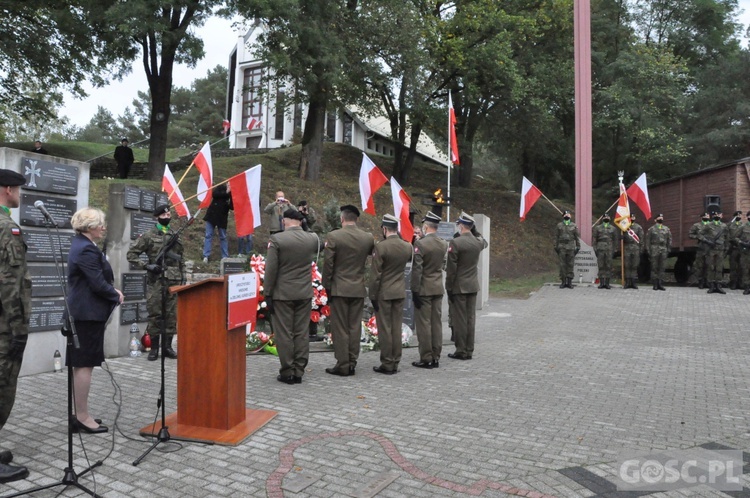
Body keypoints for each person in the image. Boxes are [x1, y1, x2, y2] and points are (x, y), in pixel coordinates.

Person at [66, 208, 124, 434]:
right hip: (86, 315)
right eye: (100, 224)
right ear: (89, 226)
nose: (104, 227)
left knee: (81, 364)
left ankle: (79, 413)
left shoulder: (82, 245)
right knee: (83, 365)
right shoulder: (86, 249)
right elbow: (97, 283)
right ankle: (82, 417)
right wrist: (115, 294)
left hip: (84, 314)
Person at [0, 169, 31, 483]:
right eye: (18, 189)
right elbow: (11, 284)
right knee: (1, 388)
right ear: (8, 189)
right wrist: (19, 328)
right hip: (4, 326)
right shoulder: (7, 228)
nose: (20, 194)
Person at [263, 209, 319, 384]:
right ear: (300, 221)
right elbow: (321, 245)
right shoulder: (312, 239)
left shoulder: (277, 240)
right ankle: (299, 370)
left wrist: (267, 293)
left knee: (284, 333)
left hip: (283, 294)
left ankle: (287, 371)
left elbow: (271, 270)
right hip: (304, 293)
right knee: (302, 332)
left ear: (285, 221)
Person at [322, 205, 375, 376]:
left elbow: (328, 264)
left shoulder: (334, 236)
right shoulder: (367, 238)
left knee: (340, 327)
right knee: (354, 326)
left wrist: (326, 286)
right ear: (356, 219)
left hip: (339, 288)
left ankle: (343, 363)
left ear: (342, 219)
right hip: (358, 287)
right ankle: (352, 361)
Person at [127, 205, 184, 360]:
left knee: (171, 315)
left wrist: (183, 278)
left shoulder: (175, 235)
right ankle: (154, 349)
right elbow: (131, 254)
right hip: (156, 281)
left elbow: (181, 259)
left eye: (168, 213)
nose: (167, 216)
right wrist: (147, 265)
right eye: (164, 214)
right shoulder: (148, 235)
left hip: (173, 280)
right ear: (157, 217)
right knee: (155, 315)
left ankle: (167, 347)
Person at [370, 214, 413, 375]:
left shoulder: (381, 247)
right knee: (396, 327)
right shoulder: (407, 246)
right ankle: (396, 360)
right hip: (399, 291)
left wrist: (372, 295)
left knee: (385, 328)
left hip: (384, 293)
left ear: (385, 228)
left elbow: (376, 275)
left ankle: (387, 362)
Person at [446, 212, 488, 360]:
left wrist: (448, 287)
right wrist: (474, 230)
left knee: (460, 319)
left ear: (462, 225)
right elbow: (485, 241)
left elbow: (451, 270)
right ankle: (469, 349)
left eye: (459, 224)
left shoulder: (455, 243)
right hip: (472, 285)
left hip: (459, 285)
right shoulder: (477, 242)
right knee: (470, 318)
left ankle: (461, 350)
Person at [410, 211, 448, 369]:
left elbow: (417, 270)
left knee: (424, 324)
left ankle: (426, 357)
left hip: (424, 289)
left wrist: (414, 290)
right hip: (438, 288)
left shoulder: (421, 244)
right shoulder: (443, 243)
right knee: (436, 323)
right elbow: (443, 265)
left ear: (425, 227)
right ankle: (436, 356)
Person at [202, 183, 232, 263]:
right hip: (212, 215)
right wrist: (226, 192)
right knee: (208, 235)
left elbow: (232, 206)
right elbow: (214, 195)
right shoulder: (220, 187)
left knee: (223, 237)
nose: (230, 185)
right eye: (229, 184)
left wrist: (230, 194)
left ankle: (225, 256)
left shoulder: (231, 194)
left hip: (222, 218)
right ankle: (206, 256)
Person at [700, 210, 727, 294]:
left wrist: (726, 247)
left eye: (718, 214)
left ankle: (718, 285)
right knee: (711, 267)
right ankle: (711, 285)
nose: (717, 216)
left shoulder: (724, 226)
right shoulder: (708, 225)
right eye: (715, 215)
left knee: (719, 268)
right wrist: (707, 241)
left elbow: (727, 237)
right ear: (712, 216)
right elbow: (700, 234)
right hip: (711, 250)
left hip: (720, 249)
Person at [554, 210, 580, 289]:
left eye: (568, 214)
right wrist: (555, 246)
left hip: (571, 247)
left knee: (570, 264)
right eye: (565, 215)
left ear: (570, 216)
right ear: (563, 216)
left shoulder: (574, 226)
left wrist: (578, 247)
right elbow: (556, 237)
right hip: (562, 247)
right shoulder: (559, 225)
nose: (567, 216)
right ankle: (563, 282)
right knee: (562, 265)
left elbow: (577, 237)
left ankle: (569, 282)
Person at [645, 213, 672, 291]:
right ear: (655, 220)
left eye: (662, 217)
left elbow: (669, 240)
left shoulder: (666, 229)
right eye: (659, 217)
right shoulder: (651, 229)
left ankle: (660, 283)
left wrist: (668, 249)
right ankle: (655, 284)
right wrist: (649, 250)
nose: (661, 219)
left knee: (662, 267)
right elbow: (648, 241)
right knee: (654, 267)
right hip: (654, 249)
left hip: (663, 249)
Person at [592, 213, 617, 289]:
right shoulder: (597, 228)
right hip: (600, 248)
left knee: (608, 266)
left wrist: (615, 250)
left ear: (609, 218)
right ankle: (602, 282)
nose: (606, 218)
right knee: (601, 265)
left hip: (609, 249)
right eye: (605, 217)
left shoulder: (613, 228)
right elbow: (594, 240)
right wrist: (595, 249)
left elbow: (615, 240)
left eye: (608, 217)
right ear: (602, 219)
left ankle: (607, 283)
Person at [622, 213, 644, 289]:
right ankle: (627, 282)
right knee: (627, 265)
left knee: (634, 265)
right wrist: (622, 236)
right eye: (631, 217)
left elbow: (641, 239)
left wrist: (641, 249)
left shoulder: (638, 227)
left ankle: (633, 282)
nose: (632, 218)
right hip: (627, 248)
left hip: (635, 248)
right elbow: (622, 239)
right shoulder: (624, 227)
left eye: (633, 217)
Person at [688, 213, 710, 288]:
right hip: (701, 247)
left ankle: (707, 281)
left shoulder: (712, 225)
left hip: (710, 248)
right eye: (705, 216)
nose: (706, 217)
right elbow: (690, 234)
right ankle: (700, 281)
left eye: (707, 216)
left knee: (709, 265)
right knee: (700, 265)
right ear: (701, 217)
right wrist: (698, 237)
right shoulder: (696, 225)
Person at [727, 210, 744, 290]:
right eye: (737, 215)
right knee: (733, 266)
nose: (739, 217)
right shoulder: (730, 225)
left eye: (740, 215)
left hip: (741, 248)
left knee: (741, 266)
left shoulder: (742, 225)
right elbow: (727, 235)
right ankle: (733, 283)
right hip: (733, 248)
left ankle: (740, 283)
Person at [737, 211, 750, 295]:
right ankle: (747, 287)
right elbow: (736, 237)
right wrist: (742, 243)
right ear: (747, 217)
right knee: (746, 270)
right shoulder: (742, 227)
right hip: (746, 252)